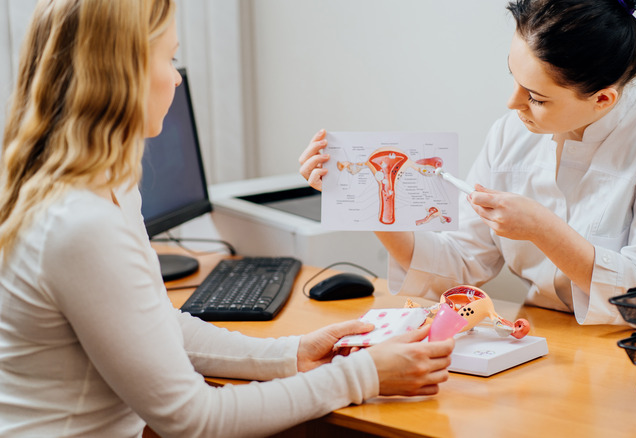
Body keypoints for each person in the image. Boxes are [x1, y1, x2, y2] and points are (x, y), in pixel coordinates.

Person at [0, 1, 454, 436]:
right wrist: (362, 376)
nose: (176, 79)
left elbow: (159, 325)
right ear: (122, 71)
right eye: (169, 57)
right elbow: (194, 420)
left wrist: (290, 352)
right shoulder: (79, 224)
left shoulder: (107, 185)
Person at [299, 0, 636, 325]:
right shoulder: (512, 132)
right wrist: (370, 201)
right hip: (539, 334)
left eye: (536, 97)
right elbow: (460, 265)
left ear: (602, 98)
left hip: (632, 346)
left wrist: (542, 229)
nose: (512, 103)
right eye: (514, 78)